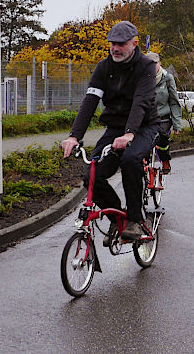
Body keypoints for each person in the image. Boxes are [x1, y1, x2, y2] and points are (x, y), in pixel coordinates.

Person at [61, 21, 159, 242]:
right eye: (112, 44)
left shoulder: (145, 67)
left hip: (144, 127)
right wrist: (74, 136)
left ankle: (135, 219)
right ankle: (118, 217)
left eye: (121, 44)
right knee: (92, 176)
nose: (115, 48)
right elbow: (90, 101)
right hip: (115, 129)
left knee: (131, 160)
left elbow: (141, 102)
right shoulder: (104, 67)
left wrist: (130, 133)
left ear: (134, 43)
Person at [146, 52, 182, 174]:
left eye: (154, 64)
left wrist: (177, 123)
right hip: (146, 118)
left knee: (162, 139)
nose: (152, 66)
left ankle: (165, 159)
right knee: (143, 141)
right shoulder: (141, 79)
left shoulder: (167, 78)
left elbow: (174, 102)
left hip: (163, 118)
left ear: (159, 64)